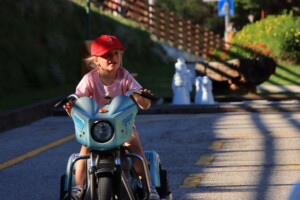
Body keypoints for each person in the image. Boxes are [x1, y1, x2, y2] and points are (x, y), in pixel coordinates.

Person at [63, 35, 160, 200]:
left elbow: (142, 101)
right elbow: (77, 106)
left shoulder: (124, 76)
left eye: (116, 53)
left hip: (123, 126)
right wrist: (71, 107)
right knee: (84, 149)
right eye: (107, 55)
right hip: (95, 129)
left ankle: (148, 186)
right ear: (95, 60)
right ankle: (78, 187)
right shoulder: (89, 79)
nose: (113, 58)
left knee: (134, 145)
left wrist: (142, 98)